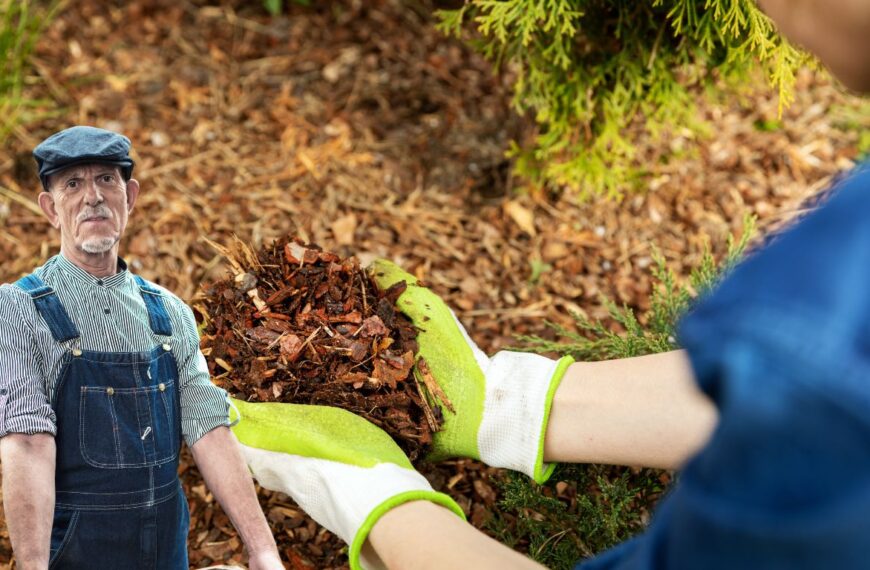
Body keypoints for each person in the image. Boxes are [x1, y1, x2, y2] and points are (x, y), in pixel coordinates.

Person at [228, 1, 870, 569]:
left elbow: (816, 395)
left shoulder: (813, 328)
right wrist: (502, 403)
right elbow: (805, 405)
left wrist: (376, 503)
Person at [0, 127, 283, 570]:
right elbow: (28, 441)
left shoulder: (169, 312)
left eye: (106, 180)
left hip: (166, 551)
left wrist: (263, 549)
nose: (93, 196)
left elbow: (209, 428)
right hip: (76, 553)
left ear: (129, 197)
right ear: (51, 209)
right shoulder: (17, 309)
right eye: (73, 184)